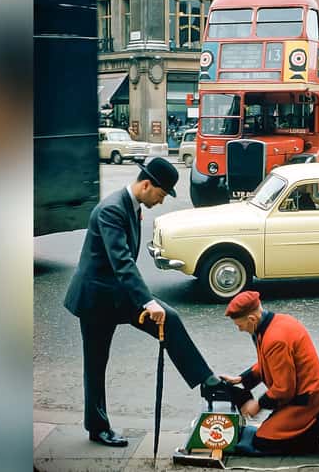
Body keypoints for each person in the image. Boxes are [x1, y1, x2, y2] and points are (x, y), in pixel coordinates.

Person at [63, 157, 226, 447]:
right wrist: (146, 302)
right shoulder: (112, 209)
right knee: (96, 363)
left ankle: (207, 382)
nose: (161, 202)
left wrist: (148, 302)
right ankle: (97, 428)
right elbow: (122, 263)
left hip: (118, 294)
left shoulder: (131, 206)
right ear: (147, 184)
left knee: (170, 317)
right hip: (96, 299)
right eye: (161, 195)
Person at [220, 291, 319, 455]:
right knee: (266, 434)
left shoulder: (274, 339)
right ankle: (307, 430)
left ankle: (310, 434)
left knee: (262, 441)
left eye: (239, 325)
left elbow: (284, 389)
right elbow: (267, 364)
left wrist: (257, 405)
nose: (239, 330)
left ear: (252, 319)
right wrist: (241, 379)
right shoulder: (275, 323)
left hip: (307, 402)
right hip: (305, 395)